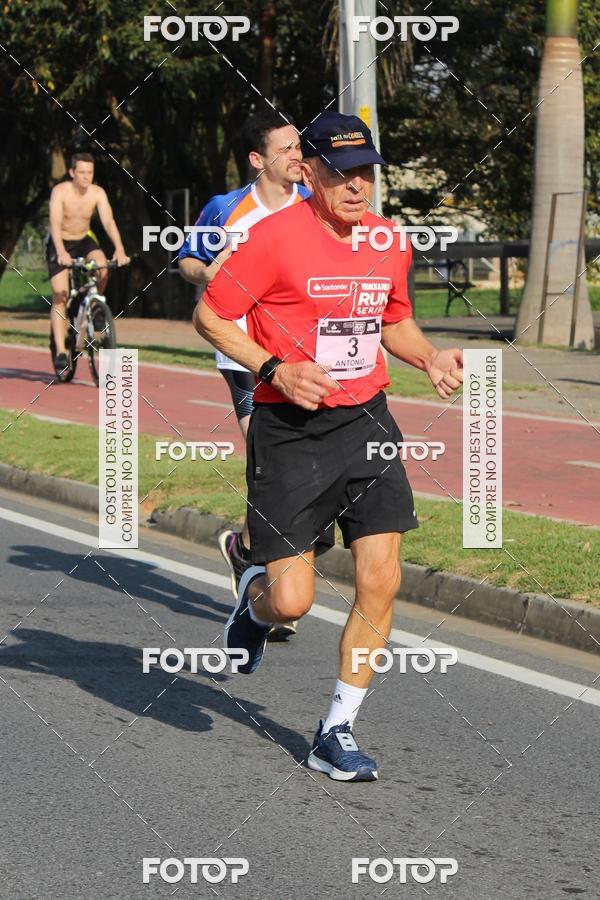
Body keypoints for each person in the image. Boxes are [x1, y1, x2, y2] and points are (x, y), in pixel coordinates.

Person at [193, 111, 463, 782]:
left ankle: (335, 729)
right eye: (341, 173)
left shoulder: (387, 240)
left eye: (366, 171)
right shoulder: (271, 239)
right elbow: (211, 315)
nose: (356, 186)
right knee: (292, 602)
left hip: (365, 422)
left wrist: (427, 357)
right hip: (289, 429)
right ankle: (254, 594)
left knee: (382, 577)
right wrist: (272, 370)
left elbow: (393, 320)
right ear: (306, 172)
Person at [179, 110, 310, 640]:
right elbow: (187, 260)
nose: (298, 156)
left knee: (297, 467)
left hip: (305, 359)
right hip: (244, 357)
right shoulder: (227, 209)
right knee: (268, 462)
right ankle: (269, 581)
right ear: (258, 160)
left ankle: (245, 550)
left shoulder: (314, 205)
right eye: (286, 149)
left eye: (300, 146)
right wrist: (212, 271)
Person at [46, 152, 129, 372]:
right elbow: (54, 223)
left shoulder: (97, 193)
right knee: (61, 294)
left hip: (84, 240)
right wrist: (62, 252)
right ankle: (62, 351)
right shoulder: (60, 192)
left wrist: (119, 249)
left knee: (102, 267)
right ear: (72, 172)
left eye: (90, 172)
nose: (86, 177)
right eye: (81, 172)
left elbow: (109, 222)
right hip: (59, 242)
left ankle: (96, 306)